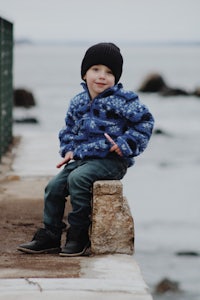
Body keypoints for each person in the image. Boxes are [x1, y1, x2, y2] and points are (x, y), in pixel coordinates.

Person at [17, 42, 154, 257]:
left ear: (116, 78)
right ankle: (50, 235)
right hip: (81, 159)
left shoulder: (124, 101)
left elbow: (145, 122)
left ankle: (78, 235)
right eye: (95, 69)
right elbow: (69, 129)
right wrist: (70, 149)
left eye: (109, 72)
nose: (102, 76)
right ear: (84, 74)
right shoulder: (78, 102)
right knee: (53, 187)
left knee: (78, 180)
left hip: (111, 160)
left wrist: (126, 144)